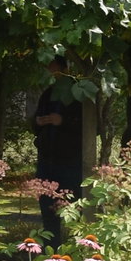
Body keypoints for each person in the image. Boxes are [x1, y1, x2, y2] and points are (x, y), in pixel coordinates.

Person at [30, 64, 89, 239]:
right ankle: (51, 253)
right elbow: (35, 123)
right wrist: (39, 122)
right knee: (48, 209)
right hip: (47, 161)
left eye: (53, 66)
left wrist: (63, 121)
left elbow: (89, 126)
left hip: (70, 162)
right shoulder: (48, 94)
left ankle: (78, 250)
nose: (50, 70)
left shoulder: (78, 93)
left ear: (64, 66)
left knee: (74, 208)